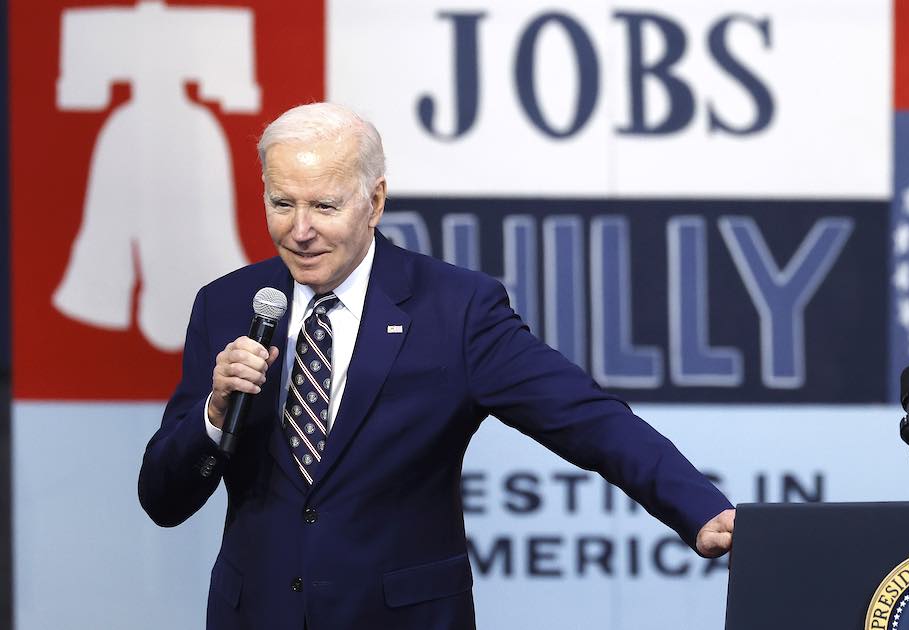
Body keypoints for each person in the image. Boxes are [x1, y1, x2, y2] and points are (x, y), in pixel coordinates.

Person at [138, 102, 735, 629]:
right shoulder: (226, 305)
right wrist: (215, 415)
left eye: (324, 205)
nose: (300, 231)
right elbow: (163, 499)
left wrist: (698, 507)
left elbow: (587, 418)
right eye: (281, 203)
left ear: (374, 202)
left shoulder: (456, 309)